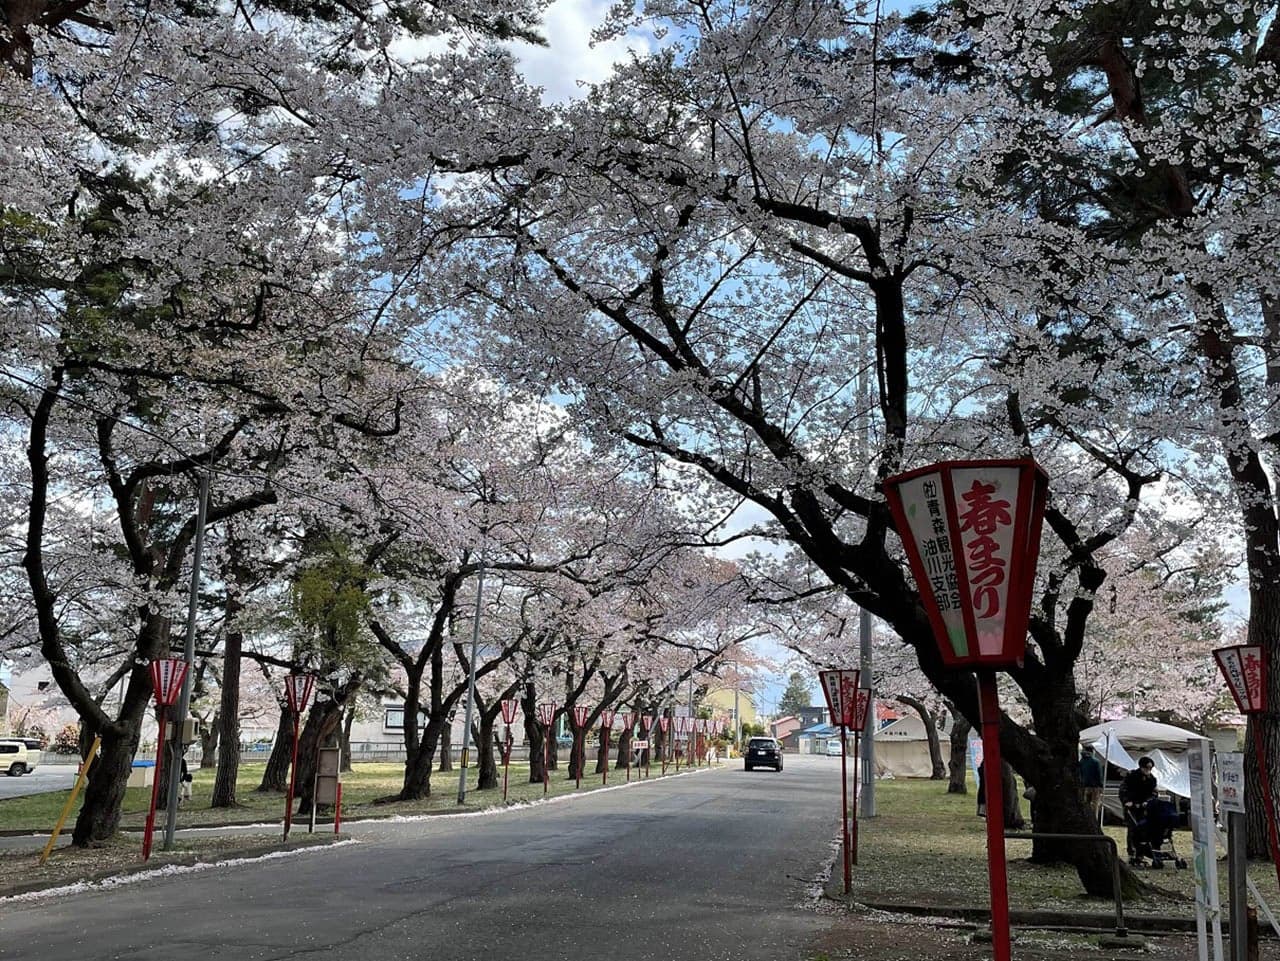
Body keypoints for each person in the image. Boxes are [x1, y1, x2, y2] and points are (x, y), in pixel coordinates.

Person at [1119, 756, 1158, 862]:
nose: (1148, 771)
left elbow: (1154, 793)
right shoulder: (1131, 777)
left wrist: (1148, 802)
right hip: (1131, 807)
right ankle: (1132, 852)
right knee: (1132, 829)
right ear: (1141, 767)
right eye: (1146, 768)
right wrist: (1126, 801)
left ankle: (1142, 852)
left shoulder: (1152, 780)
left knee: (1144, 829)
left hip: (1144, 808)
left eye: (1150, 768)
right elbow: (1123, 790)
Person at [1079, 745, 1105, 822]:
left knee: (1085, 805)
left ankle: (1085, 821)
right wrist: (1101, 786)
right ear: (1092, 751)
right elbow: (1099, 775)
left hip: (1084, 786)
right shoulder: (1096, 761)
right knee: (1095, 806)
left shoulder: (1081, 761)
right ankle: (1094, 821)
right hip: (1095, 787)